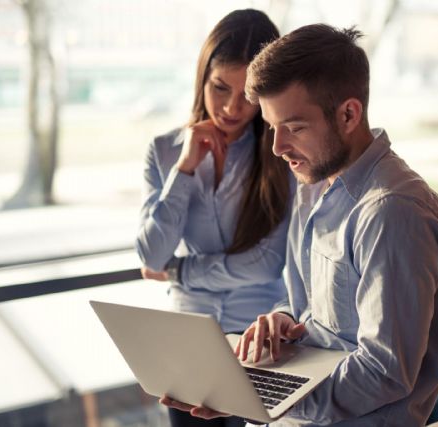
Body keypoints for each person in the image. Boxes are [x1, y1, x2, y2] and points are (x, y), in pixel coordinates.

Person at [165, 24, 438, 426]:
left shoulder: (393, 213)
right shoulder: (312, 188)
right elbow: (312, 310)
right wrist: (285, 320)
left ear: (348, 114)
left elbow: (384, 373)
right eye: (272, 127)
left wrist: (262, 398)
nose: (277, 147)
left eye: (294, 127)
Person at [136, 10, 290, 427]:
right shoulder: (165, 150)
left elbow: (267, 264)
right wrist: (184, 169)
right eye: (220, 87)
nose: (231, 107)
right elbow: (152, 254)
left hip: (256, 341)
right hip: (185, 342)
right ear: (202, 77)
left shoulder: (282, 155)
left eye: (248, 95)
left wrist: (179, 271)